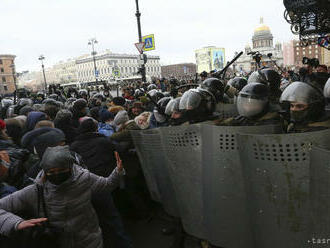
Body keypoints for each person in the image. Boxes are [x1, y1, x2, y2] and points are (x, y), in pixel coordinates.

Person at [0, 145, 124, 248]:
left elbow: (107, 185)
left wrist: (117, 172)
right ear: (45, 172)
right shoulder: (37, 190)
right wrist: (16, 223)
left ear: (70, 168)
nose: (57, 174)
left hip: (90, 241)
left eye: (61, 170)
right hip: (58, 243)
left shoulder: (84, 178)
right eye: (52, 172)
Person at [215, 82, 281, 126]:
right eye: (245, 103)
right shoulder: (245, 118)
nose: (247, 107)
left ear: (266, 103)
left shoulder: (274, 124)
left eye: (253, 104)